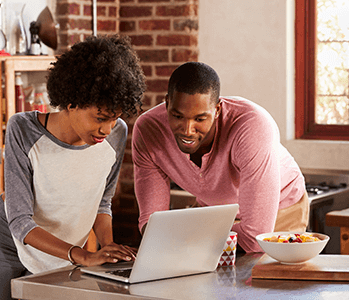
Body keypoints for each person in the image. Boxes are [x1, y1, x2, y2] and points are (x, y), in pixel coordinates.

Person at [0, 34, 146, 300]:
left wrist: (108, 248)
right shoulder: (23, 130)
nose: (106, 129)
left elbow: (101, 202)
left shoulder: (116, 134)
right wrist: (82, 255)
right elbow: (19, 221)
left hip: (60, 250)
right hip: (2, 243)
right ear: (72, 101)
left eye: (115, 118)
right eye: (100, 118)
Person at [132, 62, 308, 253]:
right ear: (167, 104)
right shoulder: (148, 131)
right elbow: (151, 223)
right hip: (216, 214)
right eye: (177, 116)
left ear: (217, 111)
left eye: (199, 119)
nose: (187, 130)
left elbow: (256, 237)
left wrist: (187, 236)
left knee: (259, 276)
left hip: (280, 211)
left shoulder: (252, 127)